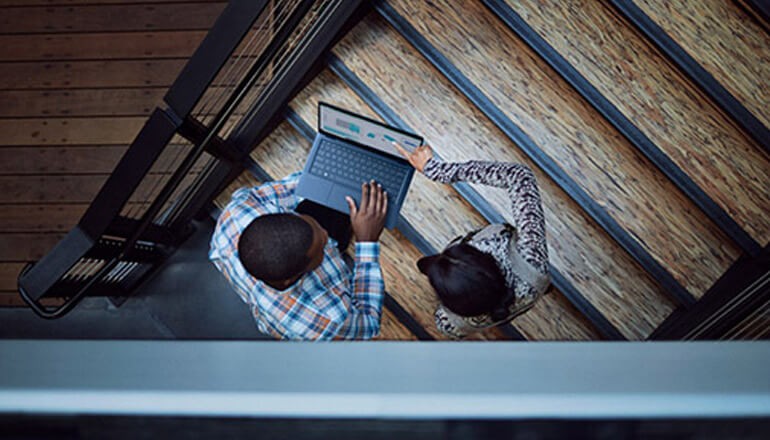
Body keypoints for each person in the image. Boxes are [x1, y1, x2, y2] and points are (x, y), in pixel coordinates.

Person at [395, 142, 550, 339]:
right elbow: (519, 176)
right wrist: (438, 170)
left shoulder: (448, 325)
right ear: (490, 262)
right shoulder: (532, 257)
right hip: (531, 289)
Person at [209, 171, 388, 341]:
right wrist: (366, 242)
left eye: (313, 225)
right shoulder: (325, 321)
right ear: (292, 278)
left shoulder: (236, 215)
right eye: (322, 246)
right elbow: (369, 322)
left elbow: (293, 186)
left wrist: (330, 177)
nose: (326, 235)